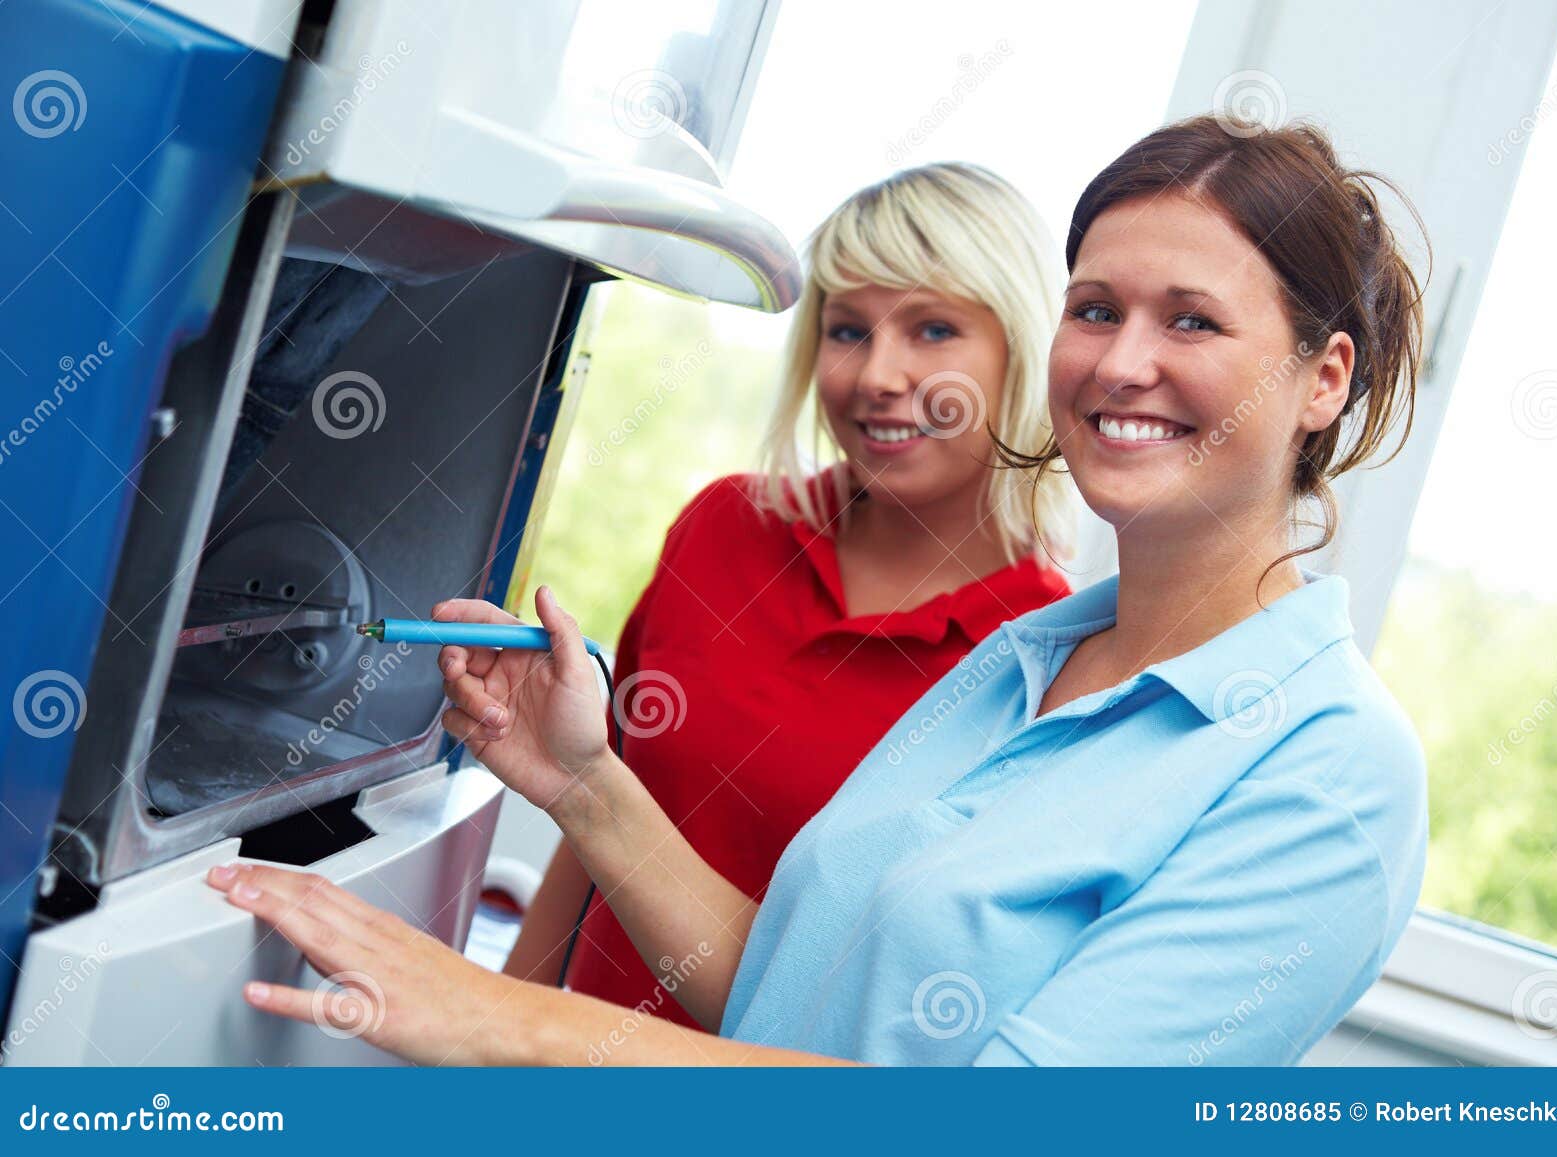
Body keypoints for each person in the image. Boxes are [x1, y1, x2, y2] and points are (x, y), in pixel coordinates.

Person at [205, 112, 1431, 1067]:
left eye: (1192, 321)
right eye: (1097, 309)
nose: (1121, 362)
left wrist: (507, 1021)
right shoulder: (1021, 663)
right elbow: (790, 1003)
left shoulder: (1330, 774)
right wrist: (583, 782)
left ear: (1323, 378)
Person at [502, 162, 1076, 1026]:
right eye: (847, 331)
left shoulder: (1049, 655)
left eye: (932, 329)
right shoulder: (725, 527)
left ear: (1022, 350)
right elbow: (598, 814)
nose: (877, 375)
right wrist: (497, 1028)